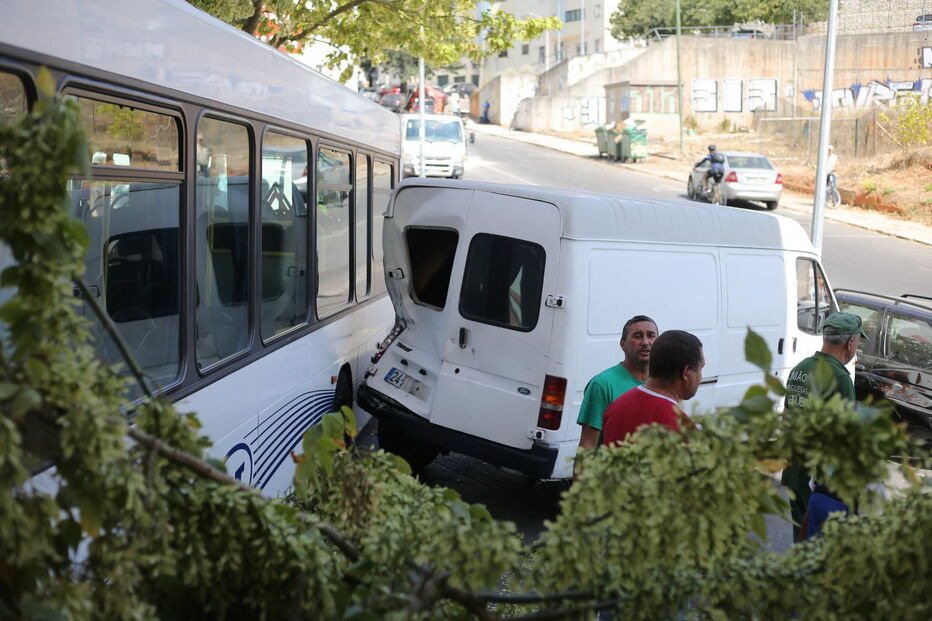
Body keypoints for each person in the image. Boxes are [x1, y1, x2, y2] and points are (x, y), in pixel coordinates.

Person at [780, 311, 867, 541]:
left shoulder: (800, 369)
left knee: (799, 535)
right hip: (818, 480)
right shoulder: (840, 378)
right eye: (858, 342)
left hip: (794, 469)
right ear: (850, 343)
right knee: (817, 546)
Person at [602, 330, 704, 447]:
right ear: (686, 372)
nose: (701, 376)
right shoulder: (683, 430)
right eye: (700, 368)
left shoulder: (616, 406)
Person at [576, 315, 658, 451]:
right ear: (623, 344)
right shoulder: (603, 384)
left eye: (651, 336)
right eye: (637, 336)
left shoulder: (663, 384)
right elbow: (587, 445)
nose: (645, 342)